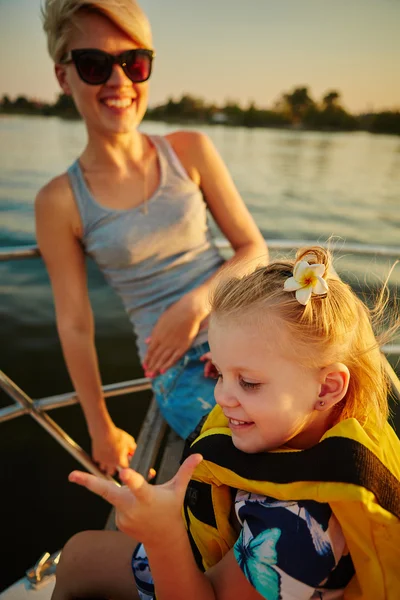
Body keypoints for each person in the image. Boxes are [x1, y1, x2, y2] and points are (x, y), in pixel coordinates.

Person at [52, 245, 400, 599]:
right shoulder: (319, 423)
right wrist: (238, 366)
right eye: (220, 373)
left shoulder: (304, 532)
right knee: (77, 555)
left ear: (327, 388)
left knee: (78, 560)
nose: (221, 396)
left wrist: (162, 537)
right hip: (206, 555)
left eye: (249, 382)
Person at [36, 0, 267, 475]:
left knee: (335, 421)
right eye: (94, 65)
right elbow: (75, 325)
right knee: (262, 457)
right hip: (178, 366)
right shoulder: (59, 200)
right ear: (64, 77)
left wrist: (196, 305)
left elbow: (253, 248)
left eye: (133, 63)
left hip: (246, 326)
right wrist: (100, 427)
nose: (119, 81)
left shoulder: (190, 150)